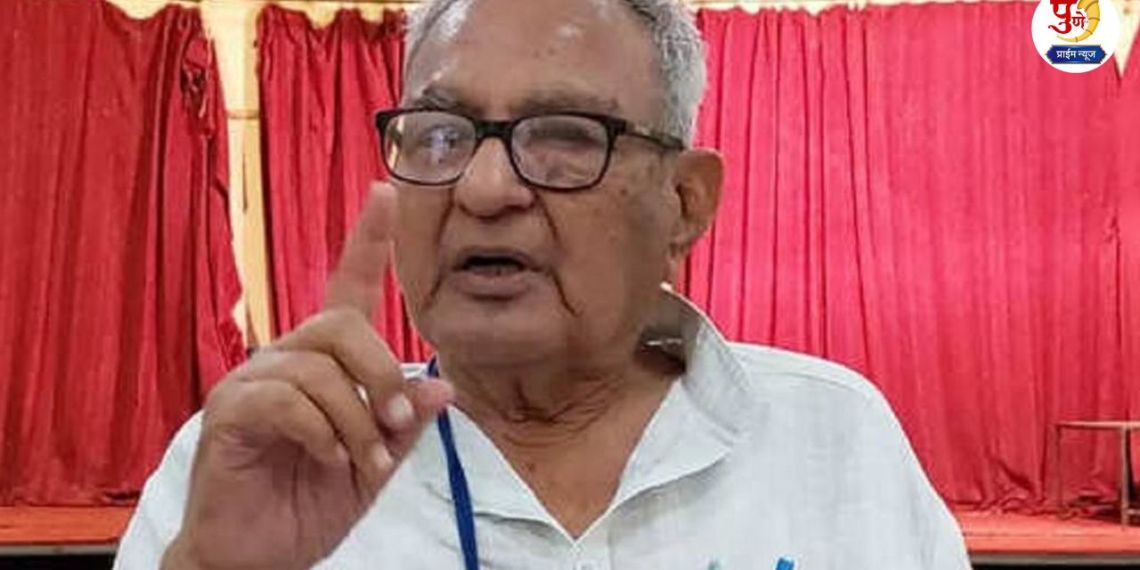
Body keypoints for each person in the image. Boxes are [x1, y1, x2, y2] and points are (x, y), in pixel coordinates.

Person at [115, 0, 970, 568]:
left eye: (564, 136)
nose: (484, 189)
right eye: (441, 134)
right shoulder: (264, 464)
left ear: (683, 203)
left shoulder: (831, 441)